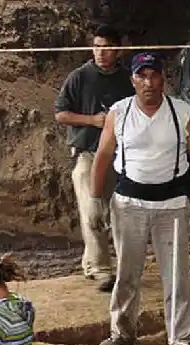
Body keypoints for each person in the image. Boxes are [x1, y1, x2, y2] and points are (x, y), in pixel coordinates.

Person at [91, 51, 190, 345]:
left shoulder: (183, 113)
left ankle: (181, 337)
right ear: (133, 80)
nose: (148, 82)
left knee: (176, 275)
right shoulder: (118, 113)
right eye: (141, 76)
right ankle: (122, 332)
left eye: (154, 75)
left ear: (163, 78)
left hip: (171, 205)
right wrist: (94, 199)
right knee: (127, 273)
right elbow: (103, 156)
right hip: (129, 205)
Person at [54, 23, 134, 292]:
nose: (100, 53)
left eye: (106, 48)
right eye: (96, 47)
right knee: (92, 212)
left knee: (120, 213)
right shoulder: (79, 77)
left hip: (120, 155)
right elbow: (60, 113)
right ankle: (101, 269)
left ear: (118, 51)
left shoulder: (128, 79)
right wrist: (92, 120)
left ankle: (109, 264)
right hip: (87, 153)